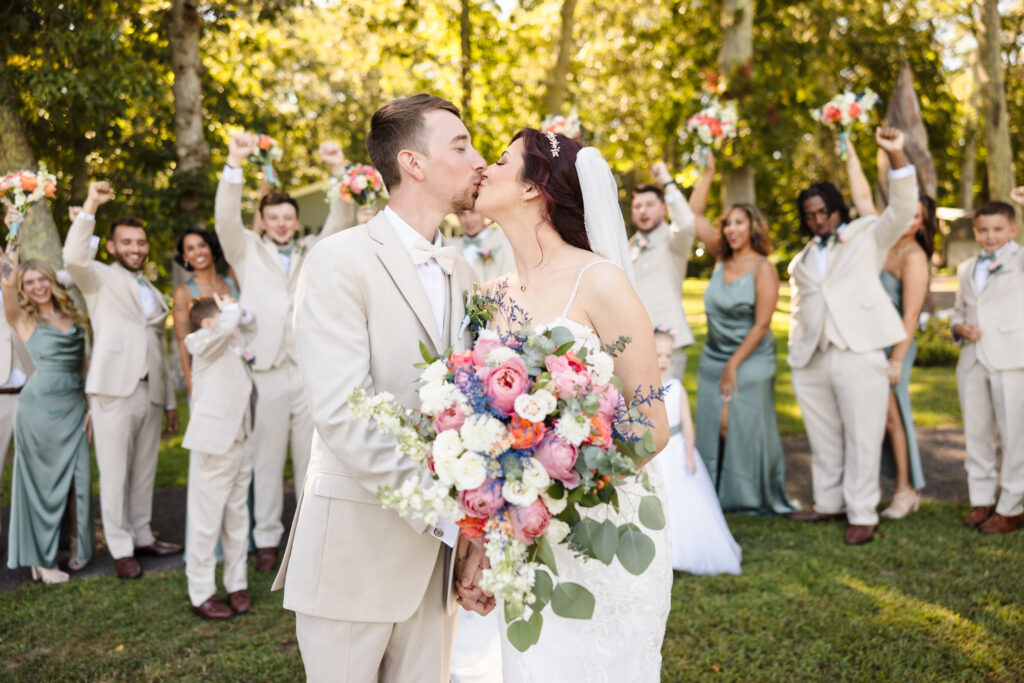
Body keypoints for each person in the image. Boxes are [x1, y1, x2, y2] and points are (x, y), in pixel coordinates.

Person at [273, 94, 490, 682]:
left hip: (436, 572)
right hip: (353, 556)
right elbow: (344, 414)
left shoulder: (465, 272)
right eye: (461, 145)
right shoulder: (338, 260)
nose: (478, 161)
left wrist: (475, 530)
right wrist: (450, 516)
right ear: (413, 162)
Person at [474, 128, 670, 682]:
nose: (484, 168)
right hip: (519, 532)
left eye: (500, 159)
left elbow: (651, 426)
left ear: (535, 187)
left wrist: (561, 485)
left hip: (600, 528)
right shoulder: (488, 298)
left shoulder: (599, 280)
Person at [215, 138, 355, 572]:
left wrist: (338, 171)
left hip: (308, 369)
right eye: (273, 217)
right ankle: (266, 541)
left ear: (296, 221)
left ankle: (310, 534)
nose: (280, 224)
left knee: (311, 457)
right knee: (266, 458)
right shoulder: (245, 249)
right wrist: (235, 162)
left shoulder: (315, 249)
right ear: (263, 220)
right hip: (267, 369)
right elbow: (224, 217)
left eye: (287, 217)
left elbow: (343, 217)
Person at [785, 127, 917, 546]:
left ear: (838, 210)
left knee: (863, 434)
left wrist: (896, 156)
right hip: (812, 357)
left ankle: (862, 512)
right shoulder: (800, 260)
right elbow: (799, 307)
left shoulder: (867, 235)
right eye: (810, 214)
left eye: (824, 211)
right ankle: (828, 501)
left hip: (860, 350)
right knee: (823, 435)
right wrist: (797, 352)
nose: (818, 220)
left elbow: (901, 208)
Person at [63, 181, 182, 579]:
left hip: (151, 392)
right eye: (127, 243)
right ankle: (119, 546)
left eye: (141, 242)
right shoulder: (96, 276)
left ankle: (142, 534)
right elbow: (74, 256)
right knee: (114, 473)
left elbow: (157, 343)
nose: (136, 248)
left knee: (144, 470)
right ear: (112, 247)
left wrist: (167, 401)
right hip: (113, 389)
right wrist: (91, 204)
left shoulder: (149, 286)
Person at [688, 152, 796, 515]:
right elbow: (694, 216)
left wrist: (733, 365)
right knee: (712, 424)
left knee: (732, 421)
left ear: (753, 227)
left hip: (751, 357)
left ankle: (747, 494)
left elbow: (763, 324)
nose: (732, 229)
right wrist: (707, 173)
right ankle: (711, 491)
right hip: (713, 355)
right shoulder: (721, 258)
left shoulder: (763, 269)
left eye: (739, 223)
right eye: (728, 223)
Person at [844, 139, 933, 518]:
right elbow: (862, 196)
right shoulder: (879, 241)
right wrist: (846, 143)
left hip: (896, 345)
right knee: (875, 416)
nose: (910, 220)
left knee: (894, 415)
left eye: (917, 216)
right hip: (868, 340)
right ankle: (888, 483)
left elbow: (910, 316)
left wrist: (897, 359)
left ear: (924, 223)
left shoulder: (914, 257)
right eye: (906, 212)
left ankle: (906, 489)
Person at [3, 207, 93, 582]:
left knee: (81, 478)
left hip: (75, 404)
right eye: (30, 282)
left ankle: (80, 547)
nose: (38, 286)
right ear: (24, 290)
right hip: (39, 408)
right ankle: (41, 561)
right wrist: (14, 228)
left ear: (52, 281)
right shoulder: (23, 318)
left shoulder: (72, 312)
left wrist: (91, 406)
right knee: (40, 484)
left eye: (42, 279)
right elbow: (6, 280)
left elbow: (84, 363)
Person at [951, 199, 1024, 535]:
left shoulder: (1019, 259)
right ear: (975, 231)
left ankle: (1012, 506)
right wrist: (959, 328)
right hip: (972, 360)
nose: (990, 236)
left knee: (1015, 437)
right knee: (976, 433)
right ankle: (981, 499)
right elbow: (958, 311)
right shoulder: (966, 268)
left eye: (998, 229)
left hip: (1010, 359)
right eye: (983, 229)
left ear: (1013, 229)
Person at [183, 294, 258, 619]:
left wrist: (239, 311)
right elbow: (228, 326)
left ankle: (236, 583)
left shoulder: (231, 342)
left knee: (237, 517)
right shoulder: (199, 342)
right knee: (205, 522)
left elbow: (251, 326)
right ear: (208, 323)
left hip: (241, 440)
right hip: (214, 445)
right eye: (226, 316)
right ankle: (201, 592)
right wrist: (230, 310)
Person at [651, 327, 741, 575]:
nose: (664, 361)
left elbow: (687, 423)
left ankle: (682, 552)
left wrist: (689, 454)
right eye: (658, 355)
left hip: (677, 450)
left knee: (683, 500)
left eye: (668, 356)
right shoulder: (644, 390)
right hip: (656, 453)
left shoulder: (675, 387)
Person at [629, 162, 697, 380]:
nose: (643, 210)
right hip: (632, 342)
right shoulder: (630, 244)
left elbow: (687, 224)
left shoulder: (674, 240)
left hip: (666, 342)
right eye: (638, 206)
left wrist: (667, 182)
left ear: (663, 208)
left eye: (649, 204)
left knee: (667, 409)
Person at [171, 227, 239, 396]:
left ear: (211, 247)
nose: (197, 252)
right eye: (190, 249)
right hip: (208, 372)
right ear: (185, 256)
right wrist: (191, 386)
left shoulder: (231, 282)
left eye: (202, 245)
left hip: (238, 366)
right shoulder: (183, 293)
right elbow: (183, 343)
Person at [448, 209, 514, 282]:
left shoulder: (502, 241)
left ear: (484, 213)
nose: (468, 220)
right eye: (462, 214)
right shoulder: (450, 247)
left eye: (473, 212)